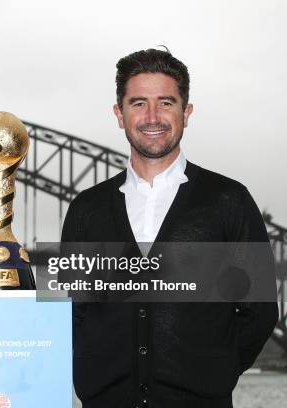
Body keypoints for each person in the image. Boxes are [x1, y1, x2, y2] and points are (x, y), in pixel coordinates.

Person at [61, 48, 278, 408]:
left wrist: (213, 373)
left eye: (165, 102)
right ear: (119, 114)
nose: (152, 116)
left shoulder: (230, 200)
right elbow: (69, 312)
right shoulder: (86, 208)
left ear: (186, 112)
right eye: (138, 103)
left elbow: (260, 311)